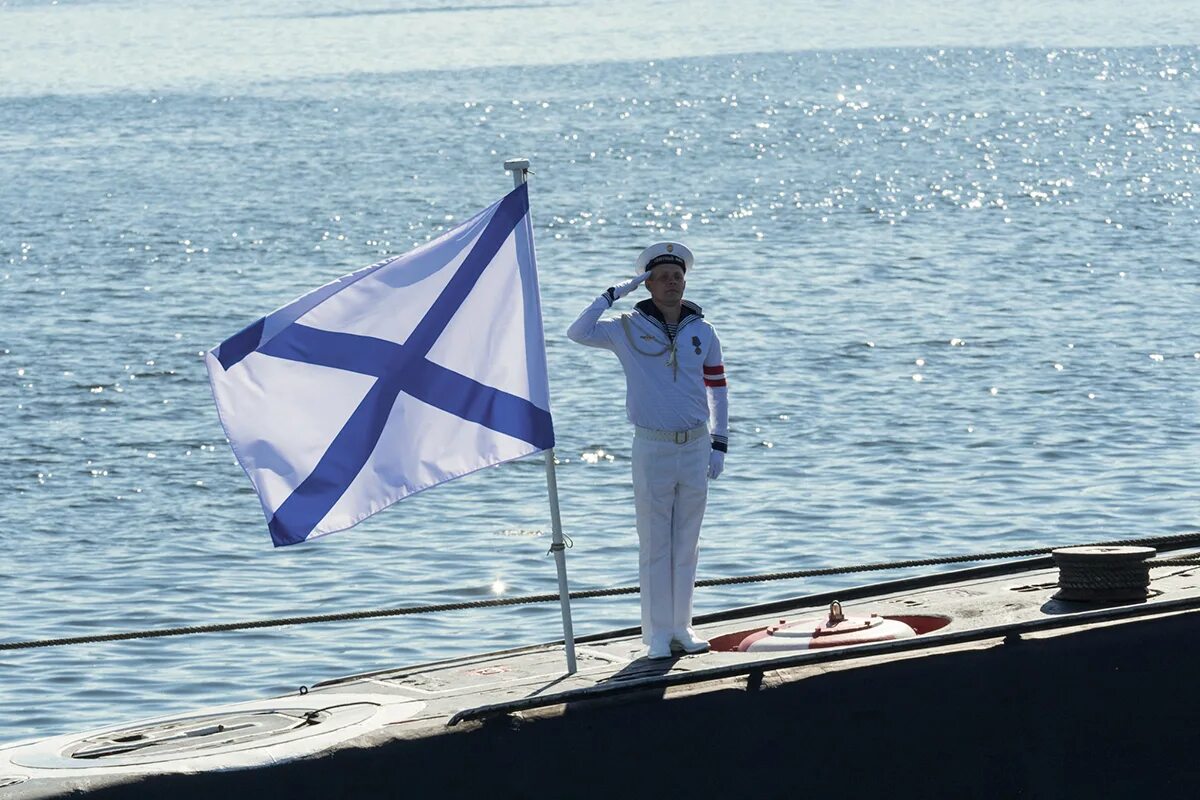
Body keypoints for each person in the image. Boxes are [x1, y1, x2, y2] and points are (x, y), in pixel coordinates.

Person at [567, 242, 729, 660]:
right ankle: (657, 634)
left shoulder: (703, 330)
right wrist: (615, 291)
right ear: (648, 283)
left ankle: (682, 627)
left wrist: (720, 442)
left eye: (677, 275)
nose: (672, 282)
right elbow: (577, 331)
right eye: (662, 276)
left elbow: (717, 388)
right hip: (653, 446)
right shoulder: (625, 326)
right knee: (656, 541)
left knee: (687, 542)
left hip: (694, 445)